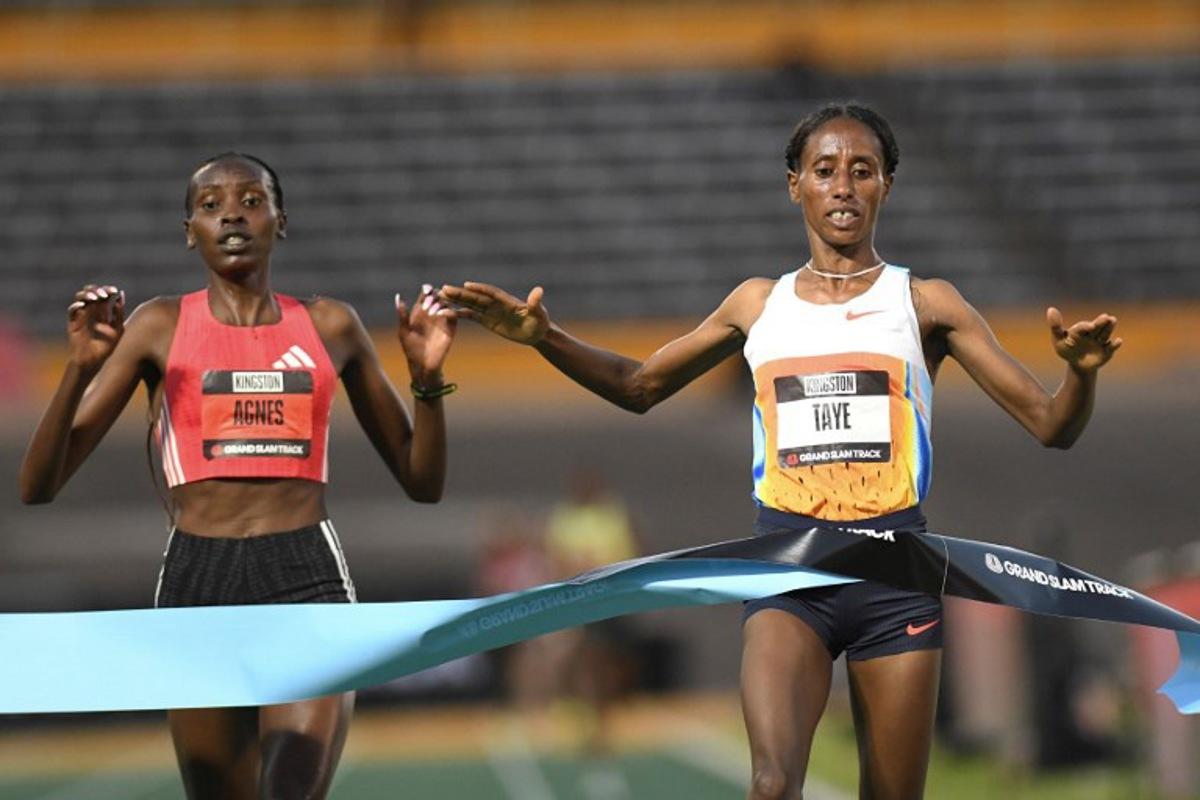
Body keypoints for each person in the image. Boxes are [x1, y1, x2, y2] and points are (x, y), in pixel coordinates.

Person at [440, 103, 1122, 799]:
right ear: (795, 184)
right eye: (825, 170)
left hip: (895, 579)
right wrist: (544, 338)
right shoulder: (757, 305)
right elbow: (639, 385)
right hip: (788, 574)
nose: (843, 186)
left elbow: (1051, 424)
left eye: (863, 170)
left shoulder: (926, 304)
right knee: (770, 785)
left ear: (887, 185)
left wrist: (1082, 375)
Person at [19, 152, 457, 800]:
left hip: (305, 576)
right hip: (199, 581)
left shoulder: (331, 325)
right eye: (211, 205)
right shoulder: (157, 326)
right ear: (188, 230)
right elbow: (38, 486)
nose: (231, 215)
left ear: (281, 221)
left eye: (252, 201)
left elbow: (423, 483)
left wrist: (427, 381)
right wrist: (79, 367)